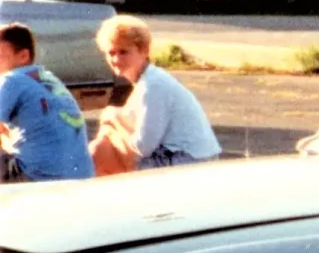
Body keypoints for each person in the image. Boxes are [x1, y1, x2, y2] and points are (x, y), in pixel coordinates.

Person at [88, 14, 220, 176]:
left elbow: (143, 147)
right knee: (102, 146)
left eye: (123, 52)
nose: (116, 59)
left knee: (102, 146)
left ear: (144, 51)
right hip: (179, 158)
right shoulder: (146, 81)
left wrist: (114, 120)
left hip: (188, 162)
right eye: (111, 53)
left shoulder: (152, 86)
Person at [0, 22, 96, 182]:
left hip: (39, 176)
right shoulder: (46, 78)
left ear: (23, 56)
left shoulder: (11, 79)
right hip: (81, 175)